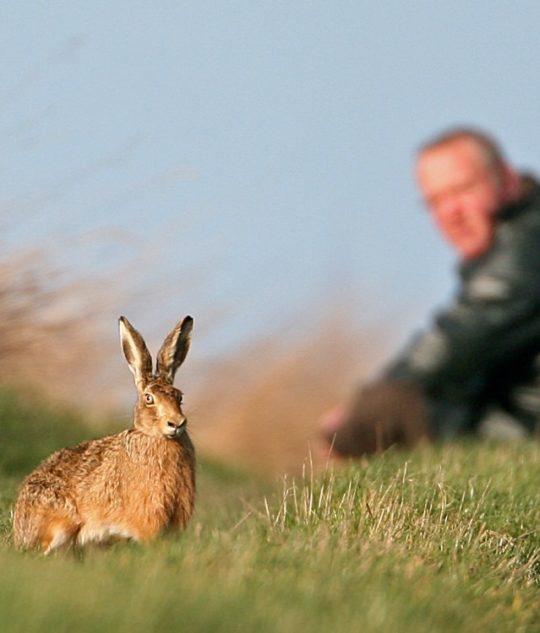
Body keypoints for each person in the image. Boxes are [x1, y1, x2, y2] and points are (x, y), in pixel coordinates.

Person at [323, 127, 540, 457]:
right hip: (509, 420)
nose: (451, 213)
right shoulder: (511, 241)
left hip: (522, 430)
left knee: (382, 411)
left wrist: (371, 403)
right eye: (435, 201)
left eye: (462, 190)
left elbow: (462, 336)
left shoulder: (525, 246)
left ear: (507, 180)